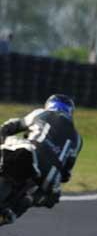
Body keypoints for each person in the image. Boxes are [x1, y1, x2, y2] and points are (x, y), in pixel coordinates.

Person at [0, 94, 82, 225]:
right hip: (50, 174)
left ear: (49, 105)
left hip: (28, 151)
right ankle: (18, 208)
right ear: (70, 111)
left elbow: (13, 125)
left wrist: (3, 136)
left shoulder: (42, 113)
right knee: (51, 196)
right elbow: (67, 172)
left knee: (9, 147)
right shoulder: (77, 139)